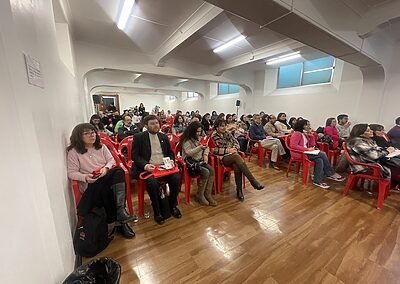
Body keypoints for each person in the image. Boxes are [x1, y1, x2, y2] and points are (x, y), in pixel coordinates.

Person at [67, 123, 135, 239]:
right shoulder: (74, 152)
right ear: (79, 136)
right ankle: (120, 218)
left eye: (93, 132)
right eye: (87, 133)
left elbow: (111, 160)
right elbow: (71, 173)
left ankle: (119, 215)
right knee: (114, 177)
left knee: (117, 172)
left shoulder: (101, 147)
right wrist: (85, 177)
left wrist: (106, 168)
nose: (92, 135)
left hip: (105, 177)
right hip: (91, 184)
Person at [132, 115, 182, 225]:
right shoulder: (139, 137)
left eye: (156, 123)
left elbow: (170, 152)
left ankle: (172, 204)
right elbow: (135, 156)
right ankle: (157, 210)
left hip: (164, 167)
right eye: (152, 123)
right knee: (152, 183)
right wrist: (145, 165)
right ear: (146, 126)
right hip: (150, 168)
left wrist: (172, 160)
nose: (156, 125)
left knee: (176, 178)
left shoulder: (163, 136)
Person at [211, 119, 264, 201]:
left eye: (224, 125)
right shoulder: (213, 136)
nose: (223, 127)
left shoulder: (227, 134)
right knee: (236, 157)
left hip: (232, 155)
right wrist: (228, 150)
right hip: (222, 158)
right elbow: (213, 150)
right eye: (221, 126)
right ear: (216, 127)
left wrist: (234, 148)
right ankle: (253, 181)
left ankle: (239, 191)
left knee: (237, 165)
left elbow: (236, 143)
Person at [290, 120, 344, 189]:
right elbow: (293, 145)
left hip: (306, 152)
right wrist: (307, 149)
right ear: (303, 126)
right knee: (322, 154)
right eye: (308, 125)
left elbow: (312, 145)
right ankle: (330, 173)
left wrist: (311, 136)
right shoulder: (297, 133)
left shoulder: (304, 133)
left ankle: (317, 181)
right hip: (299, 153)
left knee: (319, 160)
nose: (309, 126)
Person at [180, 121, 217, 206]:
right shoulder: (186, 140)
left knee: (211, 170)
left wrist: (205, 155)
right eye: (197, 131)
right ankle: (200, 194)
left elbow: (206, 147)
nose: (199, 133)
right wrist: (200, 147)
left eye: (200, 131)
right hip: (191, 164)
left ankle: (207, 194)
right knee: (206, 172)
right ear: (192, 131)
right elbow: (189, 153)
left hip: (200, 161)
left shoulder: (200, 138)